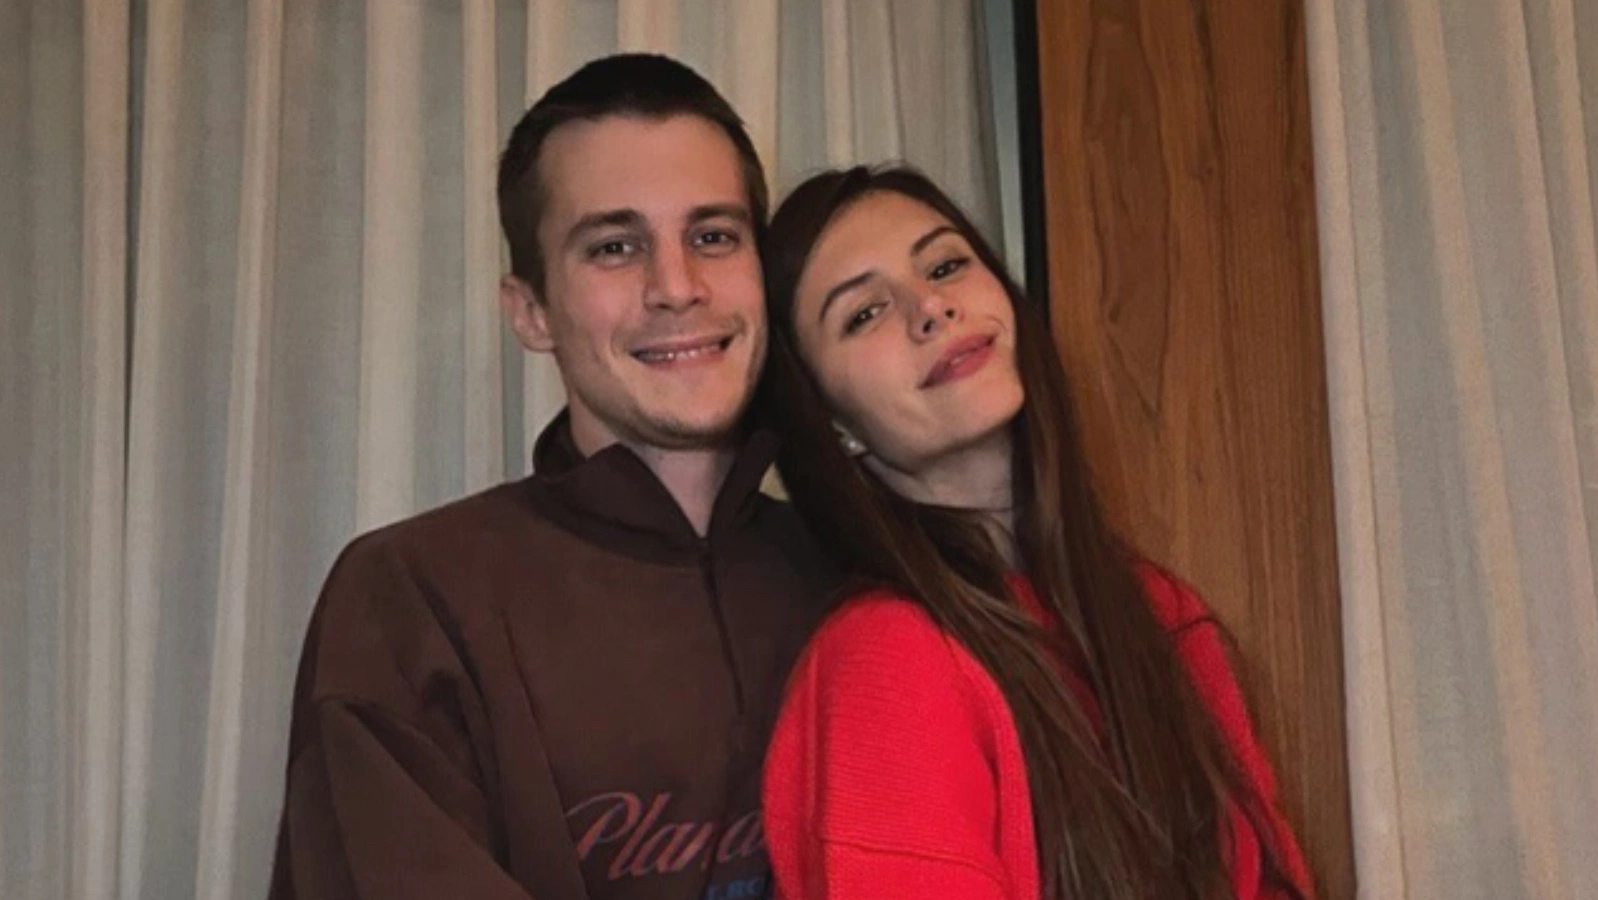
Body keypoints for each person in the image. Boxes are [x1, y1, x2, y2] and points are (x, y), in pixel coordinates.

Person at [268, 54, 836, 900]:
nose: (677, 287)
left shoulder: (854, 570)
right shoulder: (411, 598)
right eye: (615, 247)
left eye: (713, 236)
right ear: (530, 311)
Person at [755, 166, 1313, 900]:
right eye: (864, 313)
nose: (931, 308)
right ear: (831, 422)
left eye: (946, 266)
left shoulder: (1159, 610)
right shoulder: (883, 658)